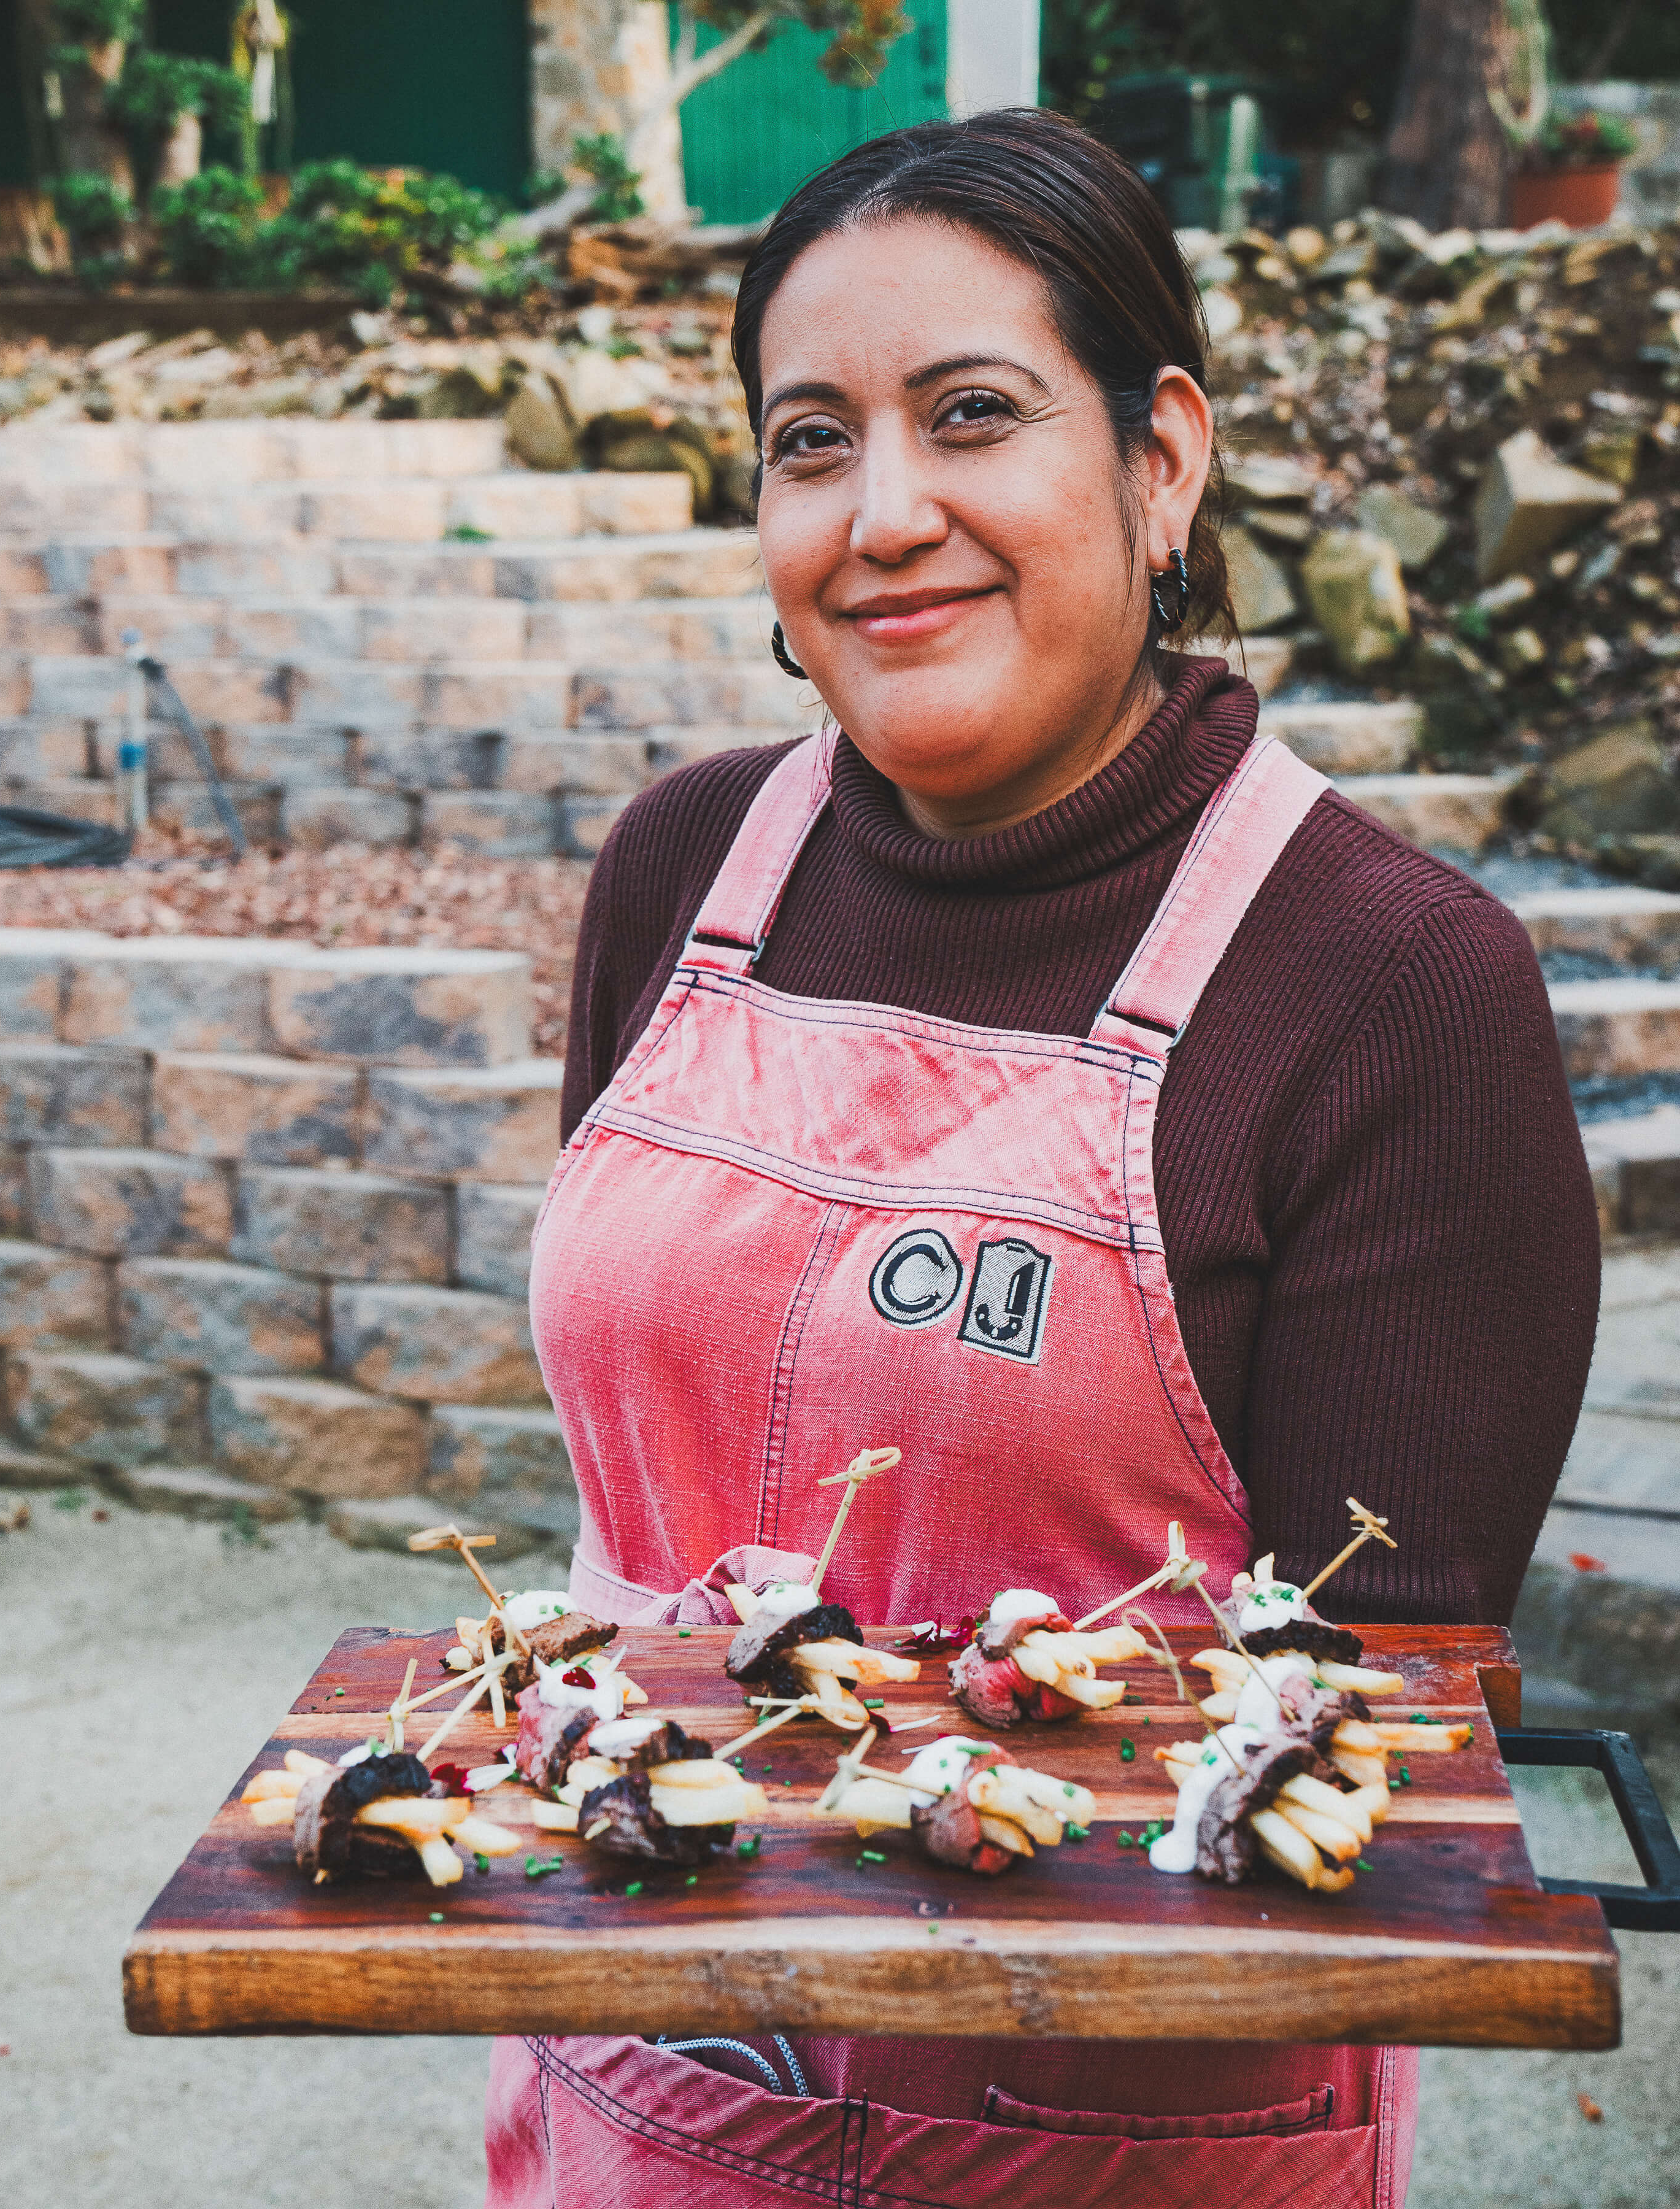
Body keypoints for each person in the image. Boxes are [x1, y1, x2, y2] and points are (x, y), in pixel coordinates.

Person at [490, 108, 1598, 2208]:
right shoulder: (675, 872)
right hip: (634, 2067)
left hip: (1110, 2138)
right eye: (811, 442)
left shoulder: (1392, 990)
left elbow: (1372, 1745)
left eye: (973, 417)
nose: (884, 513)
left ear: (1160, 460)